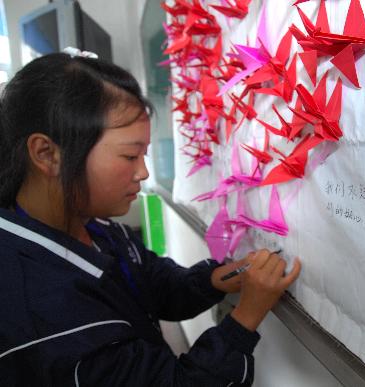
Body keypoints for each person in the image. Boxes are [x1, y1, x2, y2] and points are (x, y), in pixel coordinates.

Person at [0, 52, 301, 386]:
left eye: (143, 155)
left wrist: (214, 280)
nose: (143, 172)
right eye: (130, 155)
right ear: (47, 154)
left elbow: (151, 283)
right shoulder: (40, 311)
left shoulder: (92, 224)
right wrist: (246, 316)